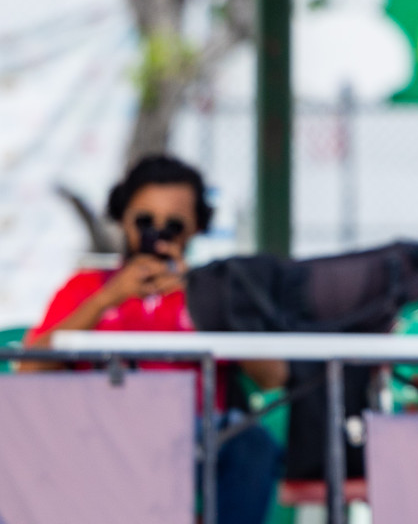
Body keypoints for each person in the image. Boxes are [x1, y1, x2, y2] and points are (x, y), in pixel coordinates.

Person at [22, 154, 288, 524]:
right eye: (145, 221)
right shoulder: (88, 286)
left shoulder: (214, 292)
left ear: (196, 227)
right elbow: (28, 368)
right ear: (123, 218)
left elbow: (272, 376)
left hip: (189, 441)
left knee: (252, 445)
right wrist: (107, 299)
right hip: (99, 441)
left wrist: (205, 300)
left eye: (173, 225)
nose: (158, 234)